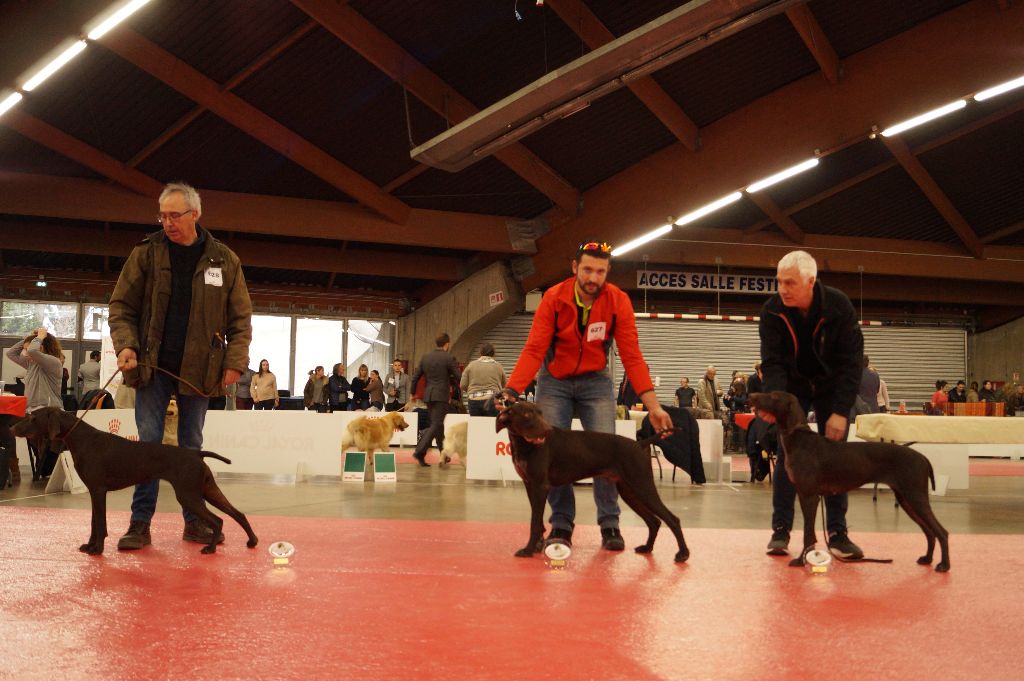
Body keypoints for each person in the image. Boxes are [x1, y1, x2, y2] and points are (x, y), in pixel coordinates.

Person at [501, 240, 672, 552]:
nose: (594, 277)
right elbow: (535, 349)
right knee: (547, 453)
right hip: (554, 380)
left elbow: (632, 356)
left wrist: (653, 407)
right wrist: (512, 389)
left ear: (608, 272)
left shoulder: (618, 300)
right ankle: (561, 524)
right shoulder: (554, 298)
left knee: (608, 454)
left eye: (601, 271)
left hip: (596, 382)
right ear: (575, 268)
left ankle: (610, 524)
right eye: (588, 270)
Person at [108, 181, 252, 550]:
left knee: (190, 447)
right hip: (151, 367)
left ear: (195, 214)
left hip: (200, 371)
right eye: (163, 216)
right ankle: (140, 524)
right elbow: (121, 306)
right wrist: (127, 345)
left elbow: (240, 320)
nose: (168, 223)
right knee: (149, 446)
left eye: (175, 215)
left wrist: (235, 362)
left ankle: (196, 521)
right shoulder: (146, 252)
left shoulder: (224, 260)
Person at [757, 250, 864, 560]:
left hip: (832, 386)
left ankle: (838, 532)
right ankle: (781, 530)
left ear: (811, 281)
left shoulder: (838, 306)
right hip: (793, 387)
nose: (782, 289)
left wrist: (841, 411)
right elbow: (772, 362)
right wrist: (775, 402)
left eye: (790, 283)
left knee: (836, 455)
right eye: (779, 282)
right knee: (788, 455)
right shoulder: (772, 311)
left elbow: (851, 364)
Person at [5, 328, 65, 479]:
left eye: (27, 349)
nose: (25, 353)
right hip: (32, 412)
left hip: (48, 411)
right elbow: (11, 353)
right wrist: (30, 337)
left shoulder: (53, 362)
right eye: (24, 350)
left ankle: (44, 463)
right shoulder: (32, 364)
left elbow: (32, 351)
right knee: (5, 423)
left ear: (41, 348)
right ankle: (13, 467)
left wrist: (39, 337)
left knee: (24, 429)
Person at [410, 333, 461, 466]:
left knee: (438, 424)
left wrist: (412, 392)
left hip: (428, 395)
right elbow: (458, 376)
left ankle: (444, 454)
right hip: (441, 395)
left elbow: (415, 377)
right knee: (436, 424)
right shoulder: (448, 357)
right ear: (447, 344)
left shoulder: (425, 357)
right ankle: (420, 451)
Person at [460, 343, 505, 417]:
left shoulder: (471, 365)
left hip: (474, 400)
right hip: (492, 400)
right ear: (493, 353)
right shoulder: (498, 366)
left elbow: (462, 385)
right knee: (491, 423)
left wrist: (472, 391)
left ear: (480, 353)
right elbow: (504, 384)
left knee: (476, 423)